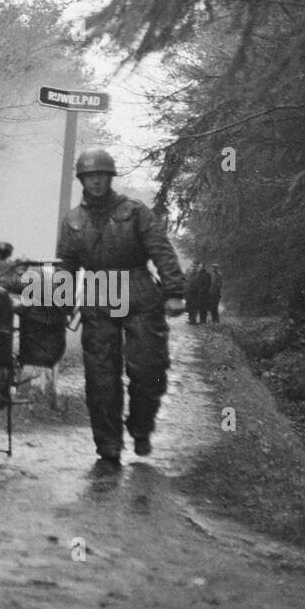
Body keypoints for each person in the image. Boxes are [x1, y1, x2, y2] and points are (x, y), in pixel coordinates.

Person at [56, 147, 186, 465]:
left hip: (138, 288)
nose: (96, 182)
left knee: (148, 368)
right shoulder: (73, 220)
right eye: (90, 176)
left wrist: (174, 291)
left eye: (101, 175)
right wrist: (58, 303)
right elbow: (66, 266)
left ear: (110, 177)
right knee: (101, 375)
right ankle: (108, 442)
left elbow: (162, 250)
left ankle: (141, 428)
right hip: (100, 291)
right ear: (82, 180)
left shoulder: (135, 211)